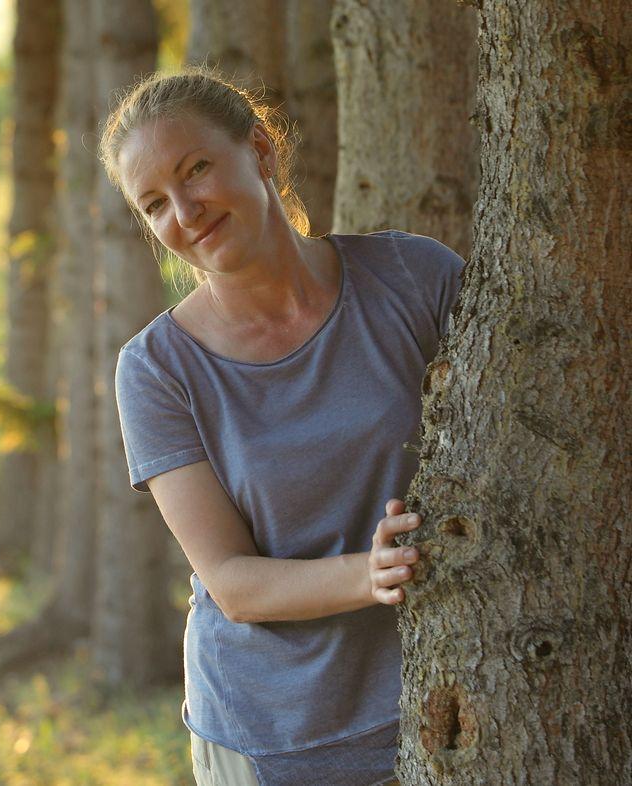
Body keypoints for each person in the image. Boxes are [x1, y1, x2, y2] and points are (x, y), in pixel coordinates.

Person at [99, 68, 464, 786]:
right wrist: (370, 573)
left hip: (444, 709)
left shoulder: (413, 276)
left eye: (195, 169)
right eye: (155, 204)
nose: (185, 211)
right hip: (266, 740)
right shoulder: (156, 370)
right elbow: (232, 583)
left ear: (261, 151)